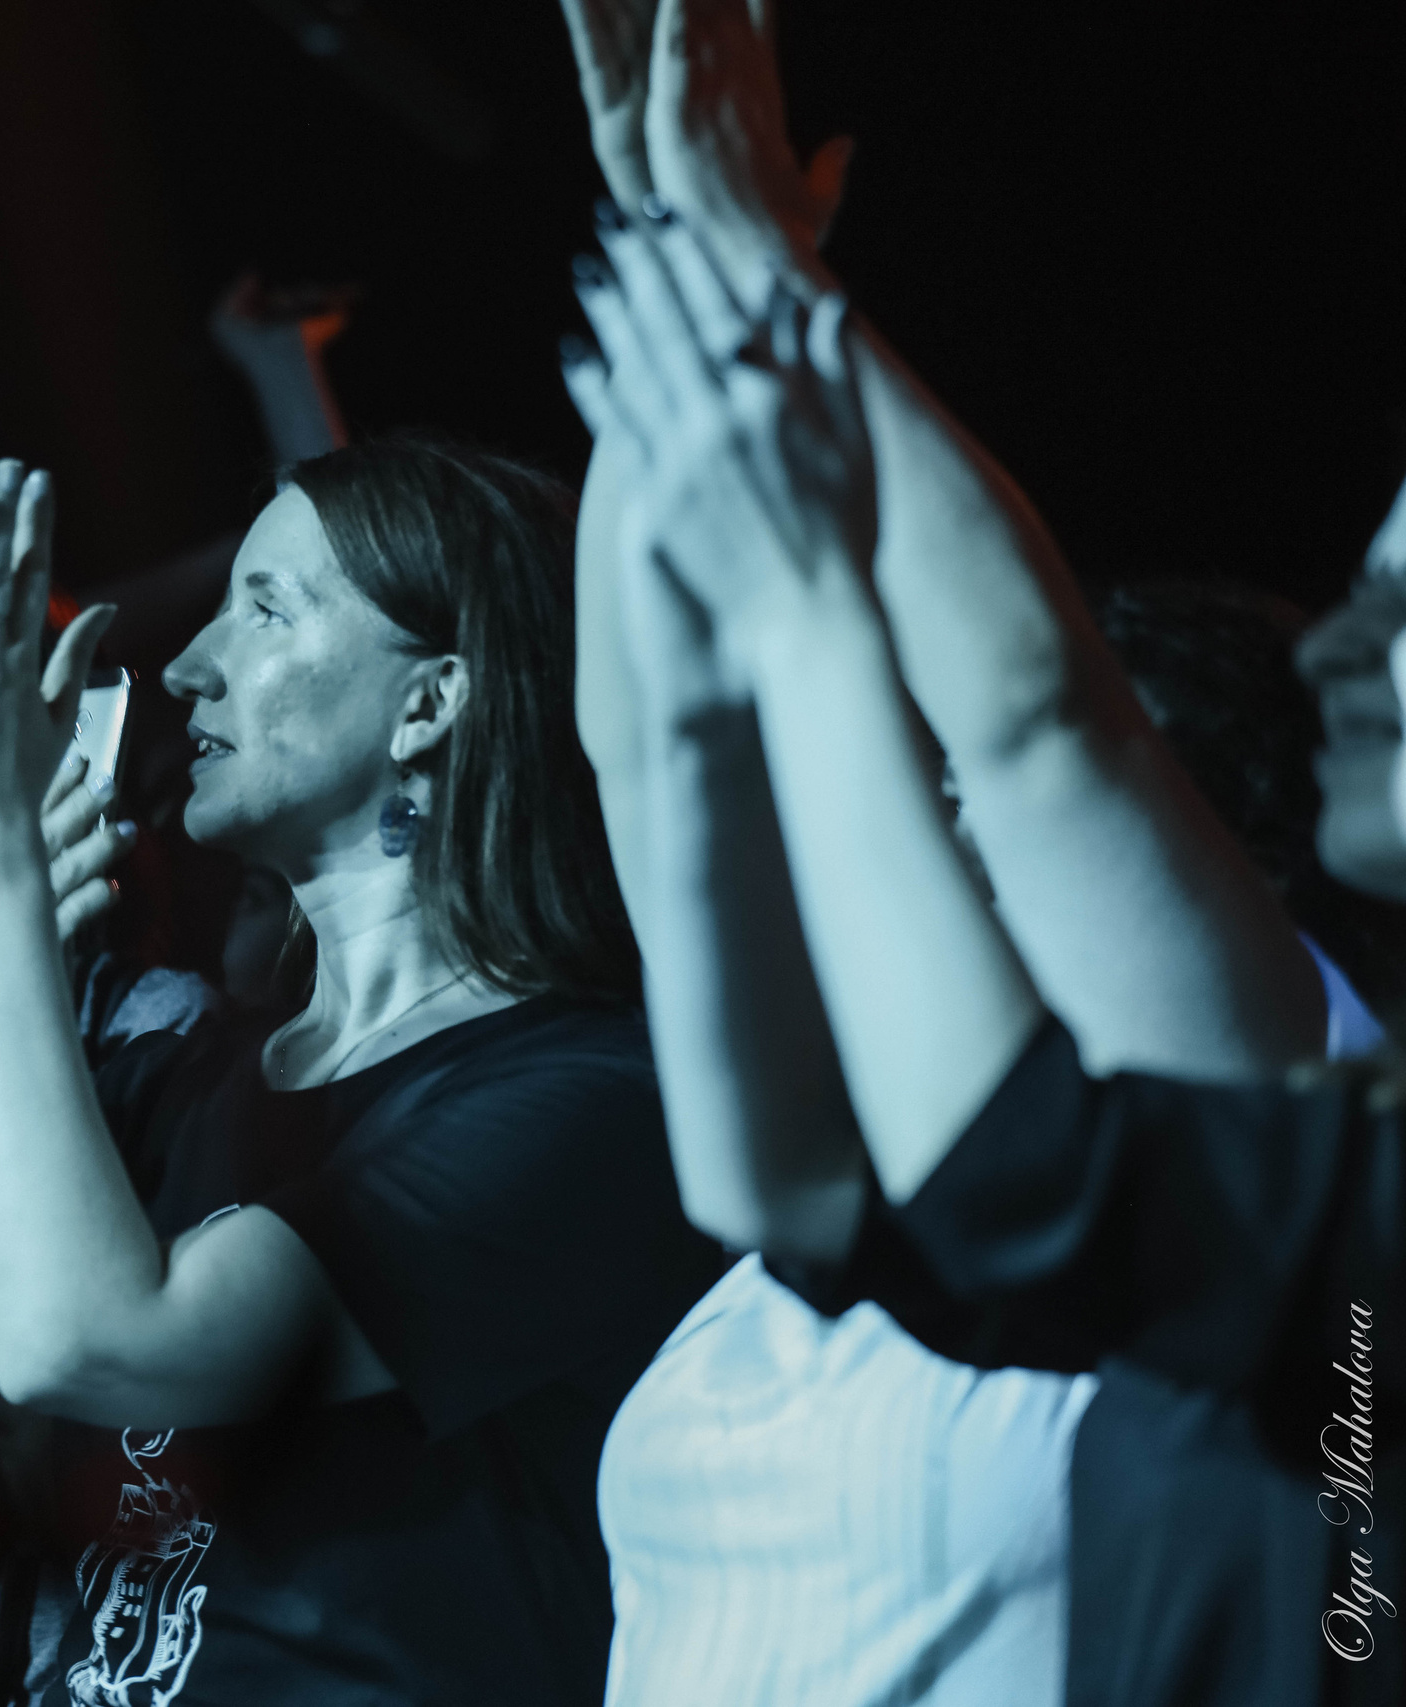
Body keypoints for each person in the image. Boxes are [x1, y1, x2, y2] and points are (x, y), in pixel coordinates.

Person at [556, 4, 1352, 1702]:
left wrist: (806, 570)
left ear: (1208, 854)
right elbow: (650, 758)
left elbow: (1041, 718)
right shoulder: (900, 1137)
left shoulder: (1253, 1125)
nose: (940, 794)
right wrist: (684, 259)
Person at [0, 440, 726, 1704]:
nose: (189, 666)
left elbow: (96, 1341)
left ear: (428, 704)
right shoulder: (191, 1079)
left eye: (265, 611)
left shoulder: (585, 1101)